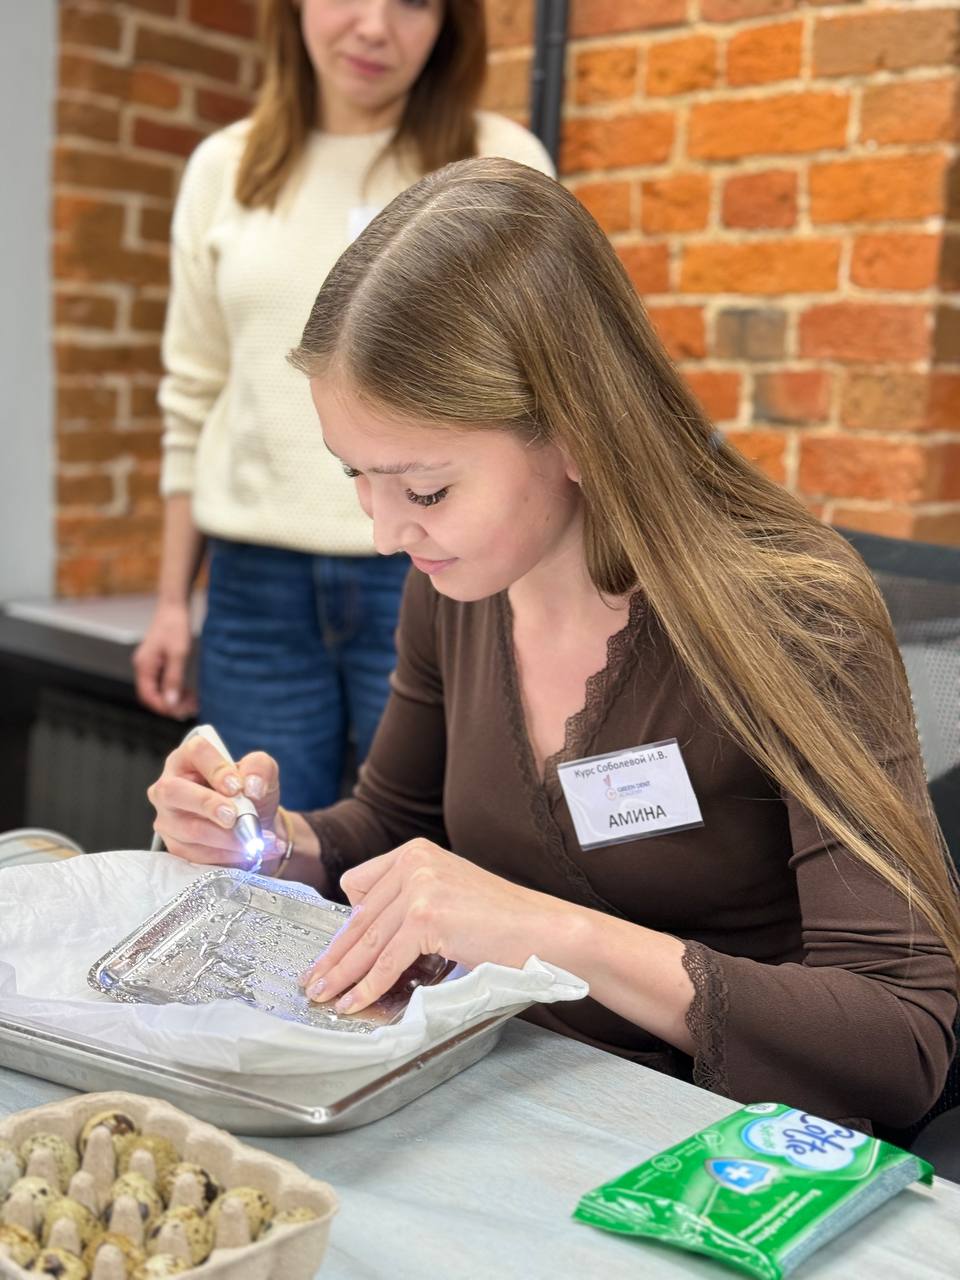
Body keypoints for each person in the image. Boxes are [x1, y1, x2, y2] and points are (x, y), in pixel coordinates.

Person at [148, 158, 960, 1133]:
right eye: (355, 474)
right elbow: (395, 824)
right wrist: (274, 842)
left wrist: (549, 933)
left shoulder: (792, 612)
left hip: (719, 1147)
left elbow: (902, 1038)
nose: (385, 531)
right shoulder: (454, 584)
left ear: (578, 430)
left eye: (426, 487)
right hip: (505, 1106)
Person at [133, 0, 554, 809]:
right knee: (255, 846)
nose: (373, 26)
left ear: (451, 22)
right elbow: (193, 394)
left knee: (434, 845)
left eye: (413, 2)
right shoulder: (225, 167)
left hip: (439, 569)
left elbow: (540, 390)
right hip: (256, 586)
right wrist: (171, 603)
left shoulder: (499, 161)